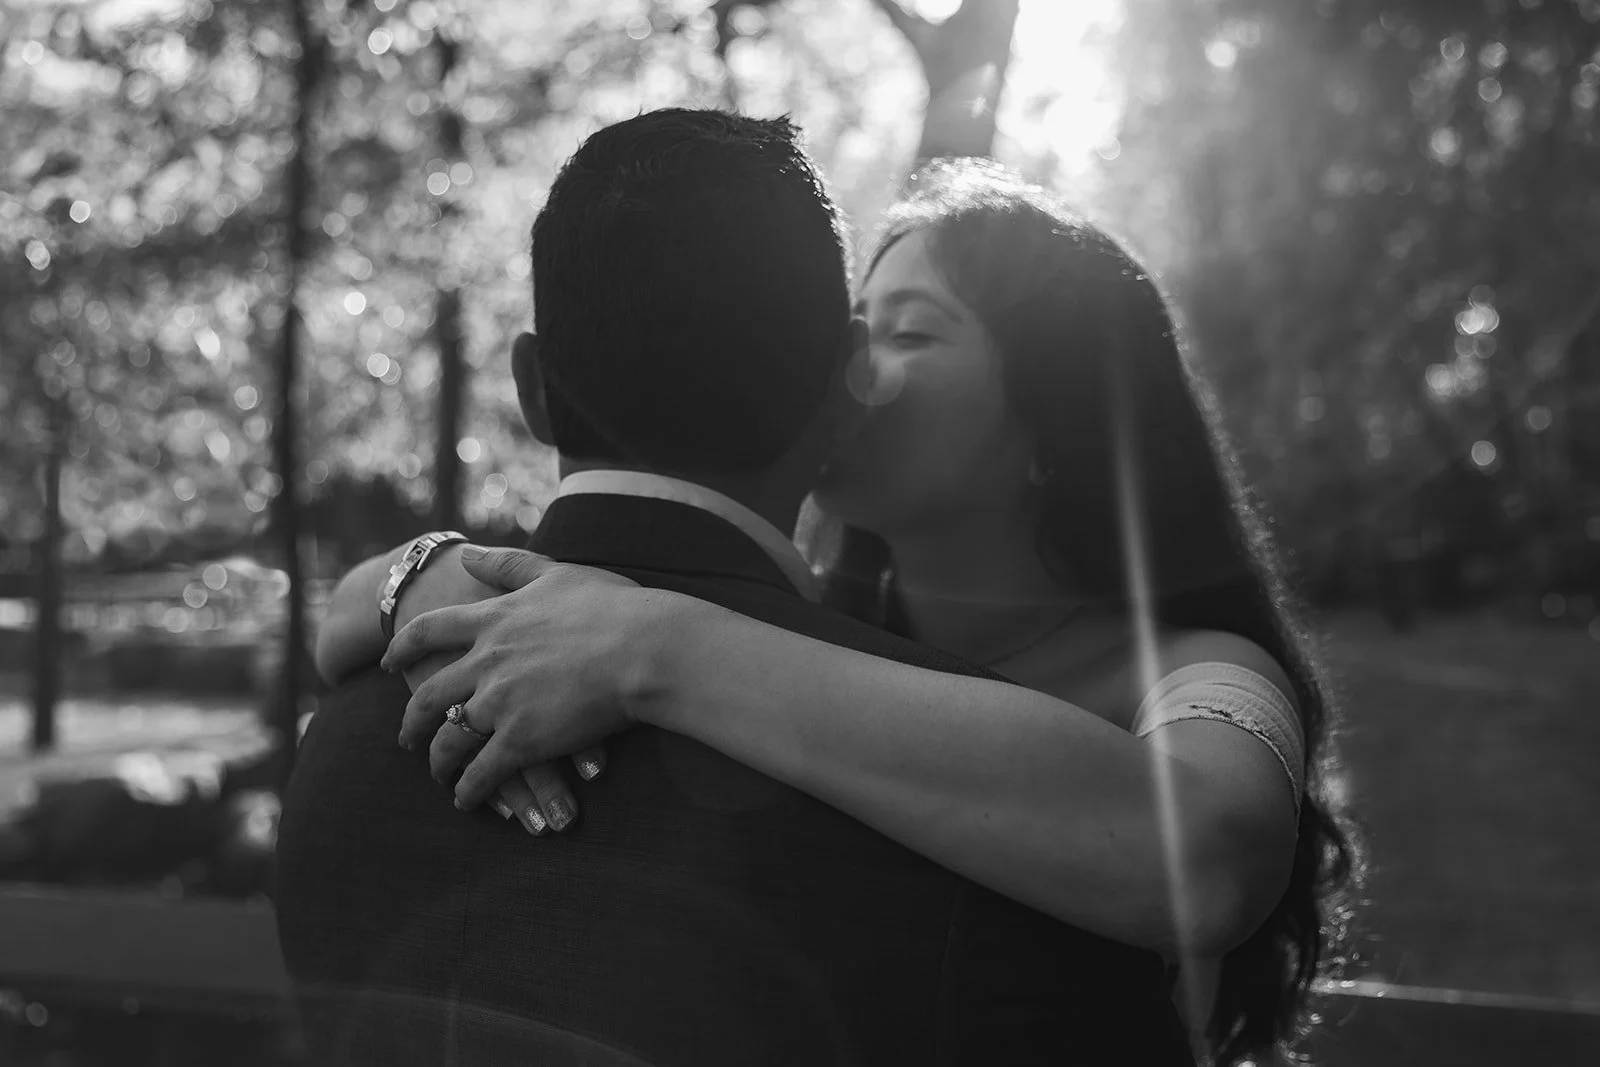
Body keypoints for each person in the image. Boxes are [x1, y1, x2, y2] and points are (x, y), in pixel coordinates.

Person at [317, 157, 1360, 1065]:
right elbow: (348, 611)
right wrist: (423, 573)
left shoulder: (1202, 670)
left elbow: (1209, 852)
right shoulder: (800, 619)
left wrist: (658, 648)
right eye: (850, 328)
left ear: (1059, 415)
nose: (848, 365)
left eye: (910, 333)